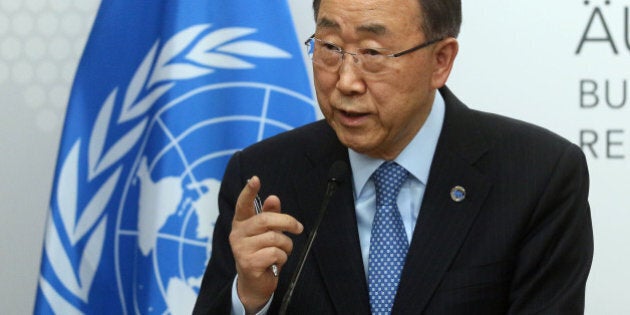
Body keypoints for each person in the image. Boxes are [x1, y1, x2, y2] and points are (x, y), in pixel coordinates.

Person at [193, 0, 594, 313]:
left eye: (372, 52)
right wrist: (249, 300)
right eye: (330, 48)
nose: (346, 81)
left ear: (441, 61)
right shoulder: (265, 177)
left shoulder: (537, 177)